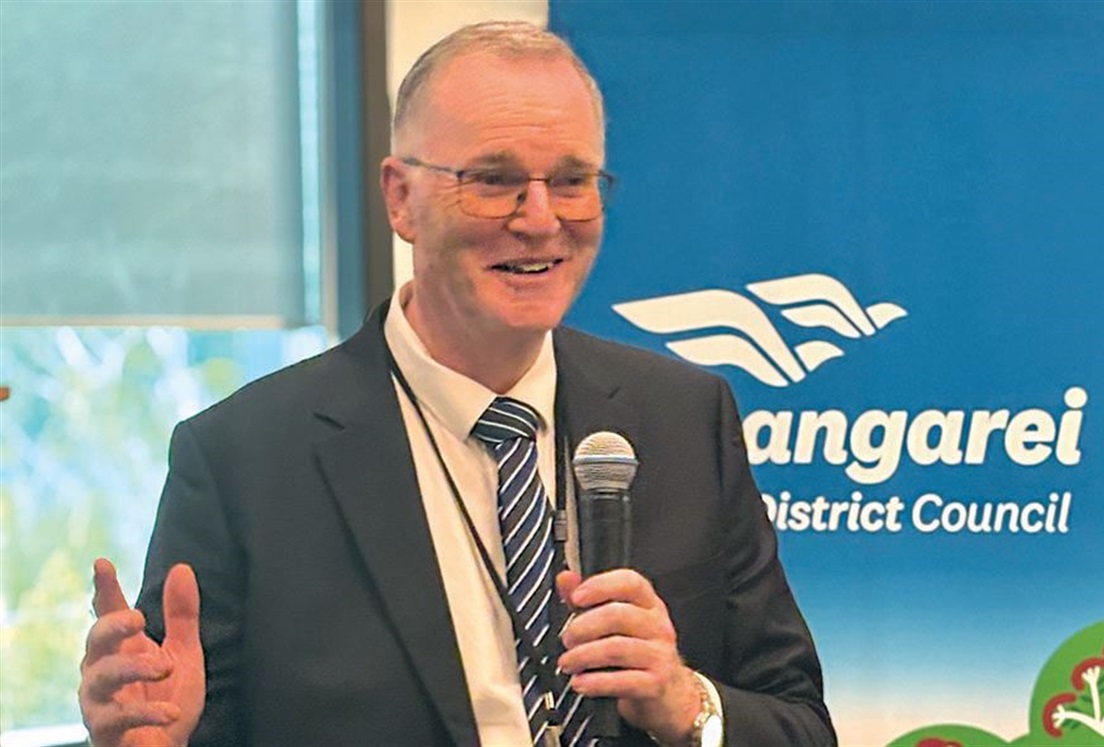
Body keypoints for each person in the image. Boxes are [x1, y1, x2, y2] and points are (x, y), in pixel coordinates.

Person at [78, 21, 835, 747]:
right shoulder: (244, 461)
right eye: (494, 179)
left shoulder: (683, 417)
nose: (540, 219)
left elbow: (801, 724)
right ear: (401, 198)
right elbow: (178, 717)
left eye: (572, 180)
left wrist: (682, 702)